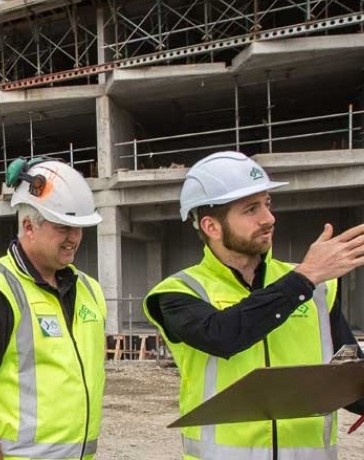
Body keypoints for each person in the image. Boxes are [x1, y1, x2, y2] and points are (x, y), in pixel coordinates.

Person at [143, 151, 364, 459]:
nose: (269, 218)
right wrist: (304, 278)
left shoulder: (318, 288)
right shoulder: (179, 292)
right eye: (251, 209)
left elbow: (348, 375)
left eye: (267, 204)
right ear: (212, 227)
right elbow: (224, 335)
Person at [0, 157, 107, 460]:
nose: (74, 238)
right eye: (64, 226)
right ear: (28, 226)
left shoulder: (89, 289)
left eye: (79, 227)